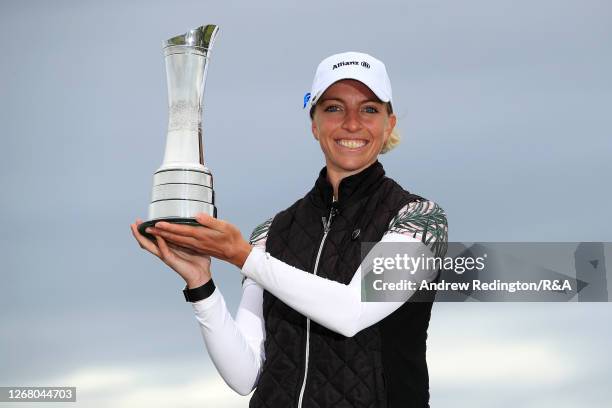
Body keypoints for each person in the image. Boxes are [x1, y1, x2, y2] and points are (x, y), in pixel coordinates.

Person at [131, 51, 448, 408]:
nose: (352, 123)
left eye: (370, 109)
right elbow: (246, 375)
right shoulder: (271, 232)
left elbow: (350, 312)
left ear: (389, 124)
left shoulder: (420, 219)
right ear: (314, 123)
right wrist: (201, 283)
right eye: (333, 108)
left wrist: (241, 256)